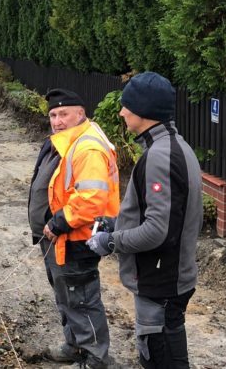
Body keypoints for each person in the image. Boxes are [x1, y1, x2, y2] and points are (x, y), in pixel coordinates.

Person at [87, 72, 202, 368]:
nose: (122, 112)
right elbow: (164, 215)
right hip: (169, 278)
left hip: (161, 281)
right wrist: (117, 224)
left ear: (145, 111)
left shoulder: (160, 156)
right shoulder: (173, 147)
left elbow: (157, 231)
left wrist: (110, 241)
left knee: (160, 354)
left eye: (128, 106)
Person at [28, 88, 120, 368]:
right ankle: (75, 346)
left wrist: (57, 222)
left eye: (63, 114)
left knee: (81, 301)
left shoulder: (87, 148)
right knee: (67, 297)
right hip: (59, 239)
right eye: (53, 115)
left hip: (75, 239)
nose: (57, 120)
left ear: (80, 113)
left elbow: (91, 199)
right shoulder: (68, 141)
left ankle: (96, 359)